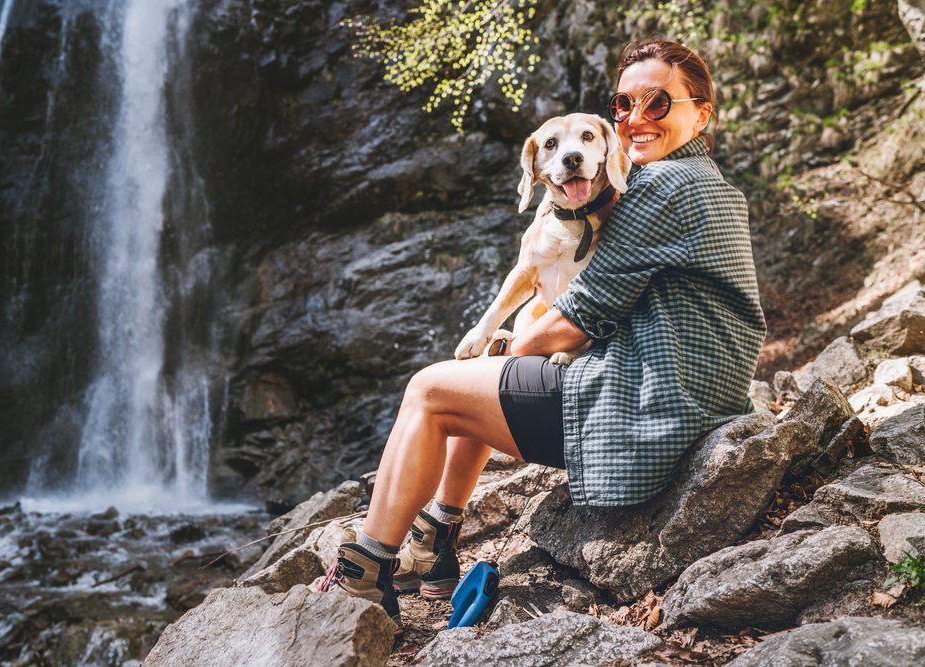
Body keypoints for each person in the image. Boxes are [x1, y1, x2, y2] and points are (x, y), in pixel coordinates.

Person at [317, 38, 766, 627]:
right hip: (689, 397)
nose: (635, 118)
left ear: (701, 112)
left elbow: (574, 317)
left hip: (646, 410)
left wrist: (517, 343)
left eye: (657, 104)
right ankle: (434, 538)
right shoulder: (704, 181)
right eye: (624, 104)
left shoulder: (662, 189)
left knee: (432, 390)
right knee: (477, 382)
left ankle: (364, 571)